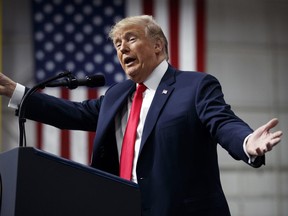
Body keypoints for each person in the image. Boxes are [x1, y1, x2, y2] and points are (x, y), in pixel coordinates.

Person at [0, 15, 283, 216]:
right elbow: (74, 113)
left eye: (131, 39)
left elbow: (222, 122)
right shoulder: (117, 94)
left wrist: (247, 141)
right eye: (118, 44)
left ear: (158, 45)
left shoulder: (195, 86)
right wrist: (18, 92)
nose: (122, 48)